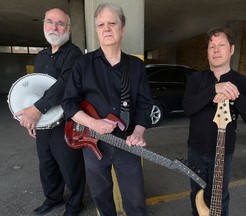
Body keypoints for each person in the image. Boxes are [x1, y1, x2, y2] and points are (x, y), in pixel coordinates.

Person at [61, 3, 153, 216]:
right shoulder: (83, 64)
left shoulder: (136, 66)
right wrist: (94, 124)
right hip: (93, 142)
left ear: (122, 28)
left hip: (127, 143)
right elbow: (68, 103)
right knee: (101, 198)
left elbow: (145, 104)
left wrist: (138, 132)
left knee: (136, 200)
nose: (106, 28)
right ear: (96, 30)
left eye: (112, 23)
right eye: (101, 24)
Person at [182, 26, 246, 216]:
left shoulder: (241, 82)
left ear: (231, 49)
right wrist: (214, 89)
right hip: (196, 151)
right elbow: (188, 107)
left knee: (220, 197)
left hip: (224, 153)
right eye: (212, 46)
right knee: (197, 195)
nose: (216, 50)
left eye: (221, 45)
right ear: (207, 52)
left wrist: (235, 95)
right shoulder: (196, 79)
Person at [15, 8, 86, 216]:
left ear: (69, 29)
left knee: (70, 165)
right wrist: (33, 120)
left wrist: (36, 110)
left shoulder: (74, 54)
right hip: (43, 121)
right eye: (50, 22)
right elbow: (36, 89)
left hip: (65, 122)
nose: (54, 27)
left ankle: (75, 204)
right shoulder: (41, 56)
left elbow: (64, 85)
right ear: (44, 25)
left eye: (60, 23)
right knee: (47, 165)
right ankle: (53, 198)